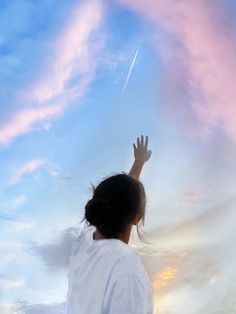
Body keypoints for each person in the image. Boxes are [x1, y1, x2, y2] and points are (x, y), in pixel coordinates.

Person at [65, 135, 153, 314]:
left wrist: (138, 163)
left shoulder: (83, 248)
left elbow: (119, 198)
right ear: (136, 216)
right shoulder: (128, 271)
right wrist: (139, 162)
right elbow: (121, 198)